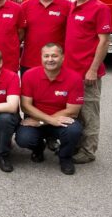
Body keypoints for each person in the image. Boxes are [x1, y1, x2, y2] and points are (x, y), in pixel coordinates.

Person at [64, 0, 111, 164]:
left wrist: (92, 69)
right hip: (70, 72)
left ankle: (88, 151)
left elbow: (104, 42)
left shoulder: (100, 8)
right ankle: (75, 145)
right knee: (75, 112)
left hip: (88, 73)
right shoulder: (72, 6)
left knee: (89, 113)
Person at [17, 43, 84, 175]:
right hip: (38, 120)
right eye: (46, 56)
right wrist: (46, 120)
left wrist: (43, 121)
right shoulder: (29, 75)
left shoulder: (74, 78)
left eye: (54, 56)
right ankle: (38, 148)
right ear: (41, 57)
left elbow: (73, 110)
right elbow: (25, 106)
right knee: (23, 138)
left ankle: (65, 157)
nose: (50, 59)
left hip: (58, 121)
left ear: (63, 57)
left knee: (74, 130)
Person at [20, 0, 70, 74]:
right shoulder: (25, 6)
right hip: (29, 63)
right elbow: (18, 34)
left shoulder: (68, 6)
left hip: (56, 62)